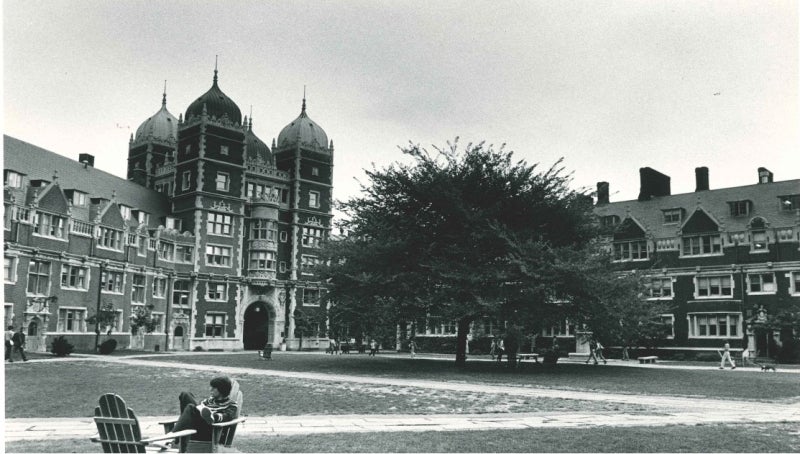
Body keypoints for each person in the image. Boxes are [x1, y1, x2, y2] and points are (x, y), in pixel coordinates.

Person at [171, 376, 239, 451]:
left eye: (214, 388)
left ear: (221, 389)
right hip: (198, 426)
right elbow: (199, 409)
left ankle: (173, 438)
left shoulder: (231, 405)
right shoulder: (209, 401)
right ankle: (175, 438)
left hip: (212, 432)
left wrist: (214, 417)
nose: (210, 389)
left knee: (191, 407)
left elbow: (227, 416)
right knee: (185, 395)